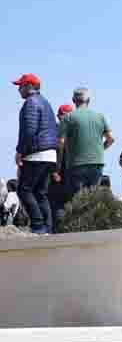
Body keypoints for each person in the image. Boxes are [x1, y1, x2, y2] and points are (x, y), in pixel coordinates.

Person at [13, 73, 59, 234]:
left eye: (21, 85)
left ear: (29, 86)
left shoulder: (31, 103)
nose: (19, 89)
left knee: (24, 190)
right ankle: (47, 228)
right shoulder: (45, 103)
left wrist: (20, 151)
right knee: (40, 193)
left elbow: (29, 131)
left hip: (36, 154)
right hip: (50, 154)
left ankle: (38, 226)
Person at [58, 87, 114, 200]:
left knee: (76, 201)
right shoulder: (100, 117)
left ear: (73, 100)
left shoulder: (68, 118)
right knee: (92, 201)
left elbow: (61, 143)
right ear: (88, 100)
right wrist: (99, 150)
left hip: (76, 164)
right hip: (96, 163)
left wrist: (58, 166)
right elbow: (111, 139)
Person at [48, 104, 74, 228]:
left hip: (67, 174)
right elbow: (54, 152)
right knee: (58, 205)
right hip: (59, 174)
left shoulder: (68, 131)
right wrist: (54, 171)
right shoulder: (55, 131)